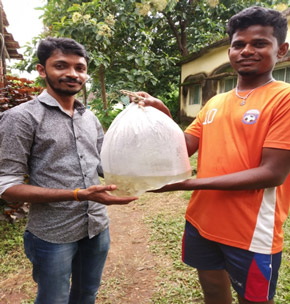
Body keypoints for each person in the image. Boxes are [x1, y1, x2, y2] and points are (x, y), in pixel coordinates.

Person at [134, 6, 290, 304]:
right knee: (214, 294)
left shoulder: (284, 98)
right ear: (229, 51)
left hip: (251, 231)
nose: (246, 51)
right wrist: (163, 114)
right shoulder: (215, 101)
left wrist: (189, 184)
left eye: (259, 43)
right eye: (238, 44)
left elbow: (273, 173)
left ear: (281, 50)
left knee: (254, 301)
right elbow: (182, 147)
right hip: (201, 221)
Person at [0, 37, 137, 304]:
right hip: (53, 234)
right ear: (42, 70)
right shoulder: (21, 118)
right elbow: (7, 186)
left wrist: (140, 169)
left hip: (97, 226)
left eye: (80, 68)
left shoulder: (90, 117)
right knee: (54, 299)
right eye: (61, 66)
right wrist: (77, 194)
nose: (72, 74)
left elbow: (102, 163)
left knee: (87, 293)